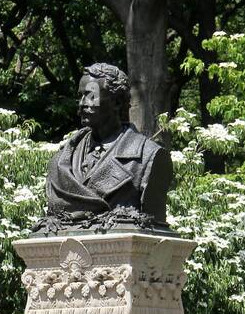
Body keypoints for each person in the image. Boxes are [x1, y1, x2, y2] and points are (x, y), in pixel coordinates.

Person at [41, 62, 172, 229]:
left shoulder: (149, 157)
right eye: (80, 96)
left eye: (90, 96)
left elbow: (154, 223)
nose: (82, 104)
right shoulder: (61, 160)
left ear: (117, 102)